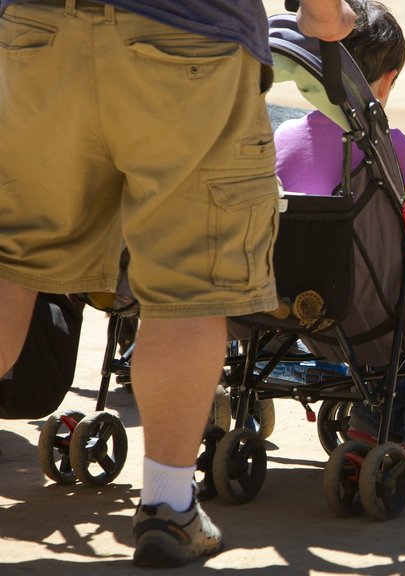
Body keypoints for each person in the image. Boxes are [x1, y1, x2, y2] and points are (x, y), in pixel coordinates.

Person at [0, 0, 355, 568]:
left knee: (9, 261)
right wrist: (325, 17)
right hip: (187, 34)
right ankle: (168, 506)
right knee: (189, 278)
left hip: (38, 31)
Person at [274, 0, 405, 465]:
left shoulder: (284, 136)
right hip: (370, 309)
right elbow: (404, 239)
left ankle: (371, 422)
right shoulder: (390, 145)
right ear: (388, 79)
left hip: (293, 303)